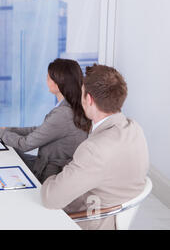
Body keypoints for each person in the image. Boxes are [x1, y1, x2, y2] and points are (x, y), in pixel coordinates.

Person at [41, 64, 149, 230]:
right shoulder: (135, 129)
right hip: (112, 211)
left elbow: (50, 198)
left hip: (86, 220)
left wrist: (51, 178)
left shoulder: (94, 150)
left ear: (89, 99)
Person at [0, 58, 90, 183]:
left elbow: (26, 144)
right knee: (9, 150)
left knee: (5, 157)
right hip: (50, 166)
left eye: (48, 78)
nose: (46, 81)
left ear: (59, 83)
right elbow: (40, 130)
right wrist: (5, 129)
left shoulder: (63, 114)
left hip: (49, 175)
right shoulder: (74, 106)